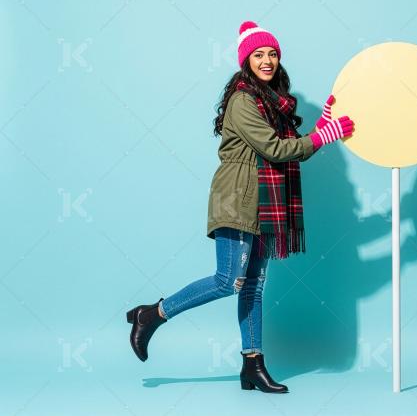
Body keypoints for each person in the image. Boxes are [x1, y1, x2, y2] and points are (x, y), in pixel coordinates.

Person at [126, 20, 354, 394]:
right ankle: (152, 315)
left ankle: (253, 366)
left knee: (254, 286)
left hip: (264, 201)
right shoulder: (243, 100)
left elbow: (290, 144)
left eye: (273, 53)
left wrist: (322, 126)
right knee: (228, 280)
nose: (267, 60)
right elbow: (276, 150)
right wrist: (323, 137)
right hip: (237, 197)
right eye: (259, 54)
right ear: (245, 60)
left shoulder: (271, 101)